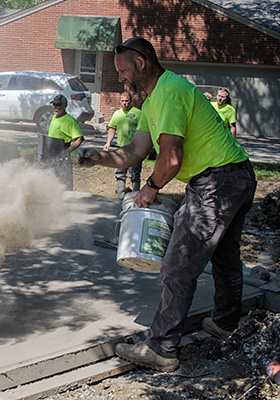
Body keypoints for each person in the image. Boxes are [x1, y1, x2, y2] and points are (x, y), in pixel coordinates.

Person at [77, 38, 256, 372]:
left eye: (124, 70)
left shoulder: (170, 91)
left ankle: (161, 348)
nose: (122, 79)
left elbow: (171, 159)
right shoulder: (152, 102)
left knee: (179, 261)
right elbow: (133, 152)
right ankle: (225, 323)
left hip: (217, 182)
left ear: (142, 62)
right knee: (224, 256)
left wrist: (150, 187)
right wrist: (97, 156)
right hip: (237, 176)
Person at [104, 91, 143, 198]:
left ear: (131, 101)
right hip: (120, 148)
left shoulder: (138, 113)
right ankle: (120, 196)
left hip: (135, 149)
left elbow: (143, 130)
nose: (125, 103)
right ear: (120, 101)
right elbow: (112, 128)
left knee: (135, 174)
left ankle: (135, 195)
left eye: (127, 101)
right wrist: (108, 142)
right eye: (122, 101)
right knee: (120, 172)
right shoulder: (117, 114)